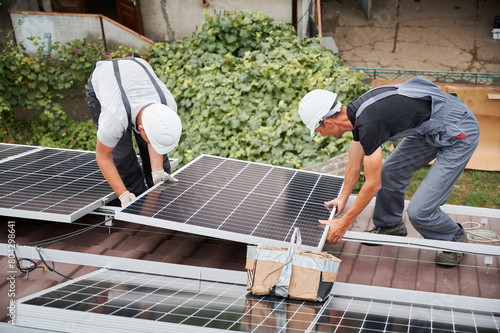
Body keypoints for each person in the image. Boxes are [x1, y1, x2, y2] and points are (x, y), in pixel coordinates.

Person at [298, 76, 480, 266]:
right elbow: (354, 164)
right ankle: (390, 225)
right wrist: (342, 197)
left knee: (420, 211)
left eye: (319, 130)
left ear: (329, 122)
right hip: (430, 128)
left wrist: (344, 223)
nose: (322, 134)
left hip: (458, 131)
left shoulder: (369, 122)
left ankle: (454, 238)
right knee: (389, 172)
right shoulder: (357, 113)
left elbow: (373, 184)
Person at [86, 54, 182, 207]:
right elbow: (103, 157)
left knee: (157, 157)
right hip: (107, 78)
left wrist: (157, 172)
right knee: (123, 156)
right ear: (141, 128)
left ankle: (157, 197)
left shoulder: (167, 107)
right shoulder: (114, 118)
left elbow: (156, 137)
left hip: (135, 68)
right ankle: (136, 200)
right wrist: (122, 194)